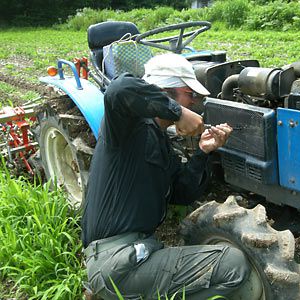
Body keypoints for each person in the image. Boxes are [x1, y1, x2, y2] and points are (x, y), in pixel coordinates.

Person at [81, 53, 250, 300]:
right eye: (189, 95)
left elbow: (181, 193)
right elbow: (119, 89)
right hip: (117, 261)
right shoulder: (128, 125)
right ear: (164, 90)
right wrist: (178, 112)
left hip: (132, 254)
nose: (193, 103)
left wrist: (203, 152)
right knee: (233, 264)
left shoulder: (160, 141)